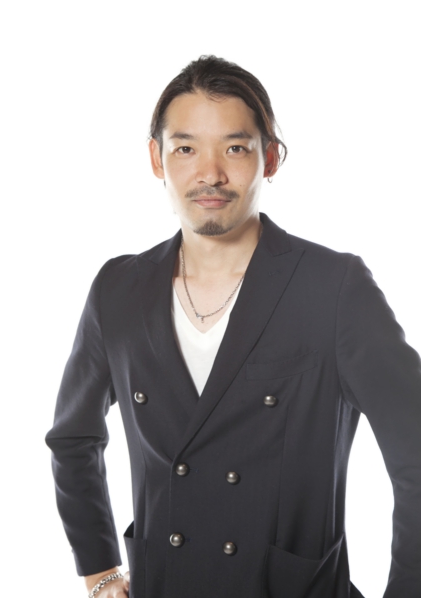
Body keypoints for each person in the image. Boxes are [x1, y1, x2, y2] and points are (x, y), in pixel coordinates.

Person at [45, 55, 421, 598]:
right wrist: (100, 571)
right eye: (186, 149)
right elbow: (73, 439)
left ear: (270, 158)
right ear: (156, 158)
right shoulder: (118, 290)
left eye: (235, 148)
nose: (210, 173)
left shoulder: (333, 286)